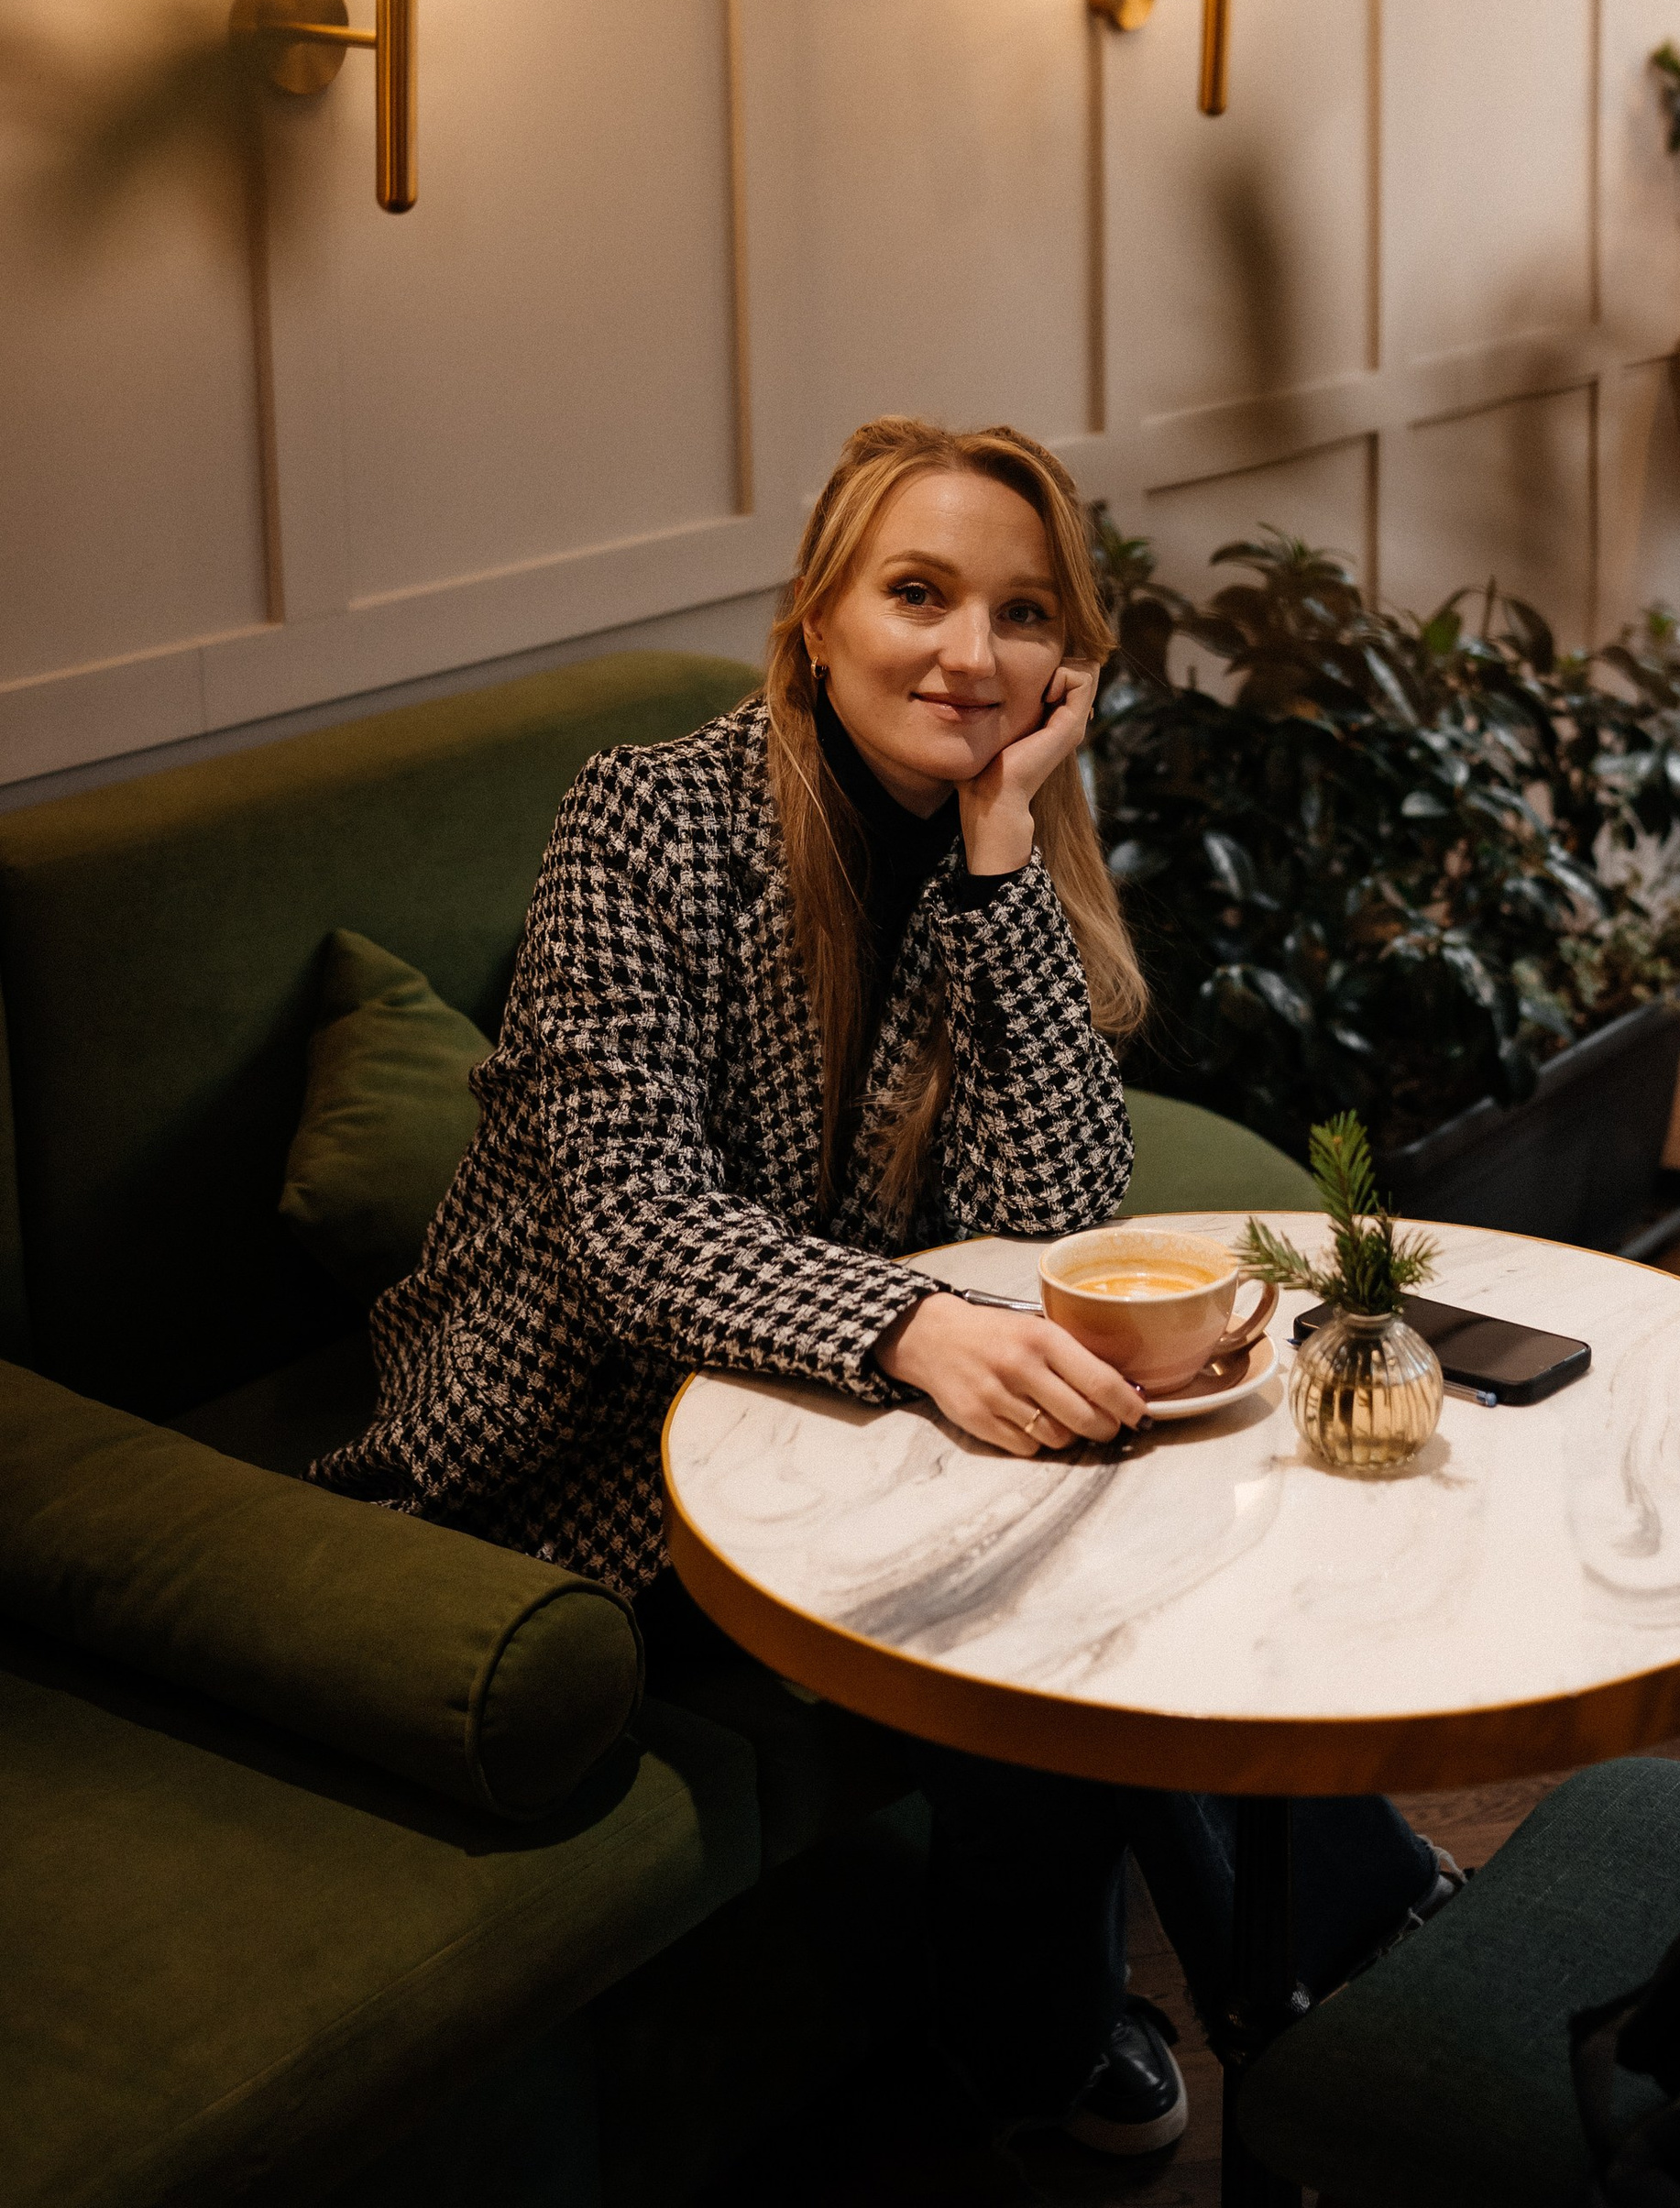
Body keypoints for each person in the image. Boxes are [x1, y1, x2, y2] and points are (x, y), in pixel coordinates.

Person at [315, 415, 1448, 2157]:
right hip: (574, 1446)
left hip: (808, 1405)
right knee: (1039, 1591)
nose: (969, 654)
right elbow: (626, 1222)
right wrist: (914, 1325)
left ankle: (1330, 1992)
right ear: (817, 616)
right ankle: (1278, 2000)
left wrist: (1003, 856)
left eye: (1021, 616)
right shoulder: (646, 819)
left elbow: (1054, 1216)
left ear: (1067, 661)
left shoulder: (1003, 846)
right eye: (918, 593)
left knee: (1124, 1481)